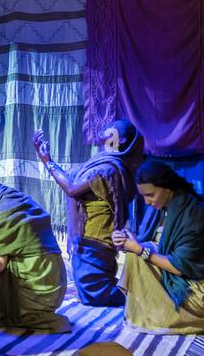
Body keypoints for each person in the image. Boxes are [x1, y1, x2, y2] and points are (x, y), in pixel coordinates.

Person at [111, 159, 204, 334]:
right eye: (143, 196)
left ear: (167, 188)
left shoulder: (193, 216)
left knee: (138, 255)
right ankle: (155, 313)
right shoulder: (161, 207)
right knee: (136, 256)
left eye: (150, 195)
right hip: (177, 277)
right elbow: (152, 245)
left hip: (198, 290)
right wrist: (127, 240)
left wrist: (138, 249)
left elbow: (177, 267)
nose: (147, 201)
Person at [34, 119, 146, 307]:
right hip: (90, 238)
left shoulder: (108, 170)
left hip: (94, 239)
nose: (108, 129)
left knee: (95, 295)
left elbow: (71, 188)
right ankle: (133, 295)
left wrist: (47, 161)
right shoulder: (104, 164)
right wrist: (47, 160)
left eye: (114, 129)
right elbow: (70, 179)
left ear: (122, 141)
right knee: (91, 291)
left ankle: (141, 301)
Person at [0, 180, 69, 332]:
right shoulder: (18, 200)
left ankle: (24, 309)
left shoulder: (0, 217)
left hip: (38, 293)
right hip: (57, 287)